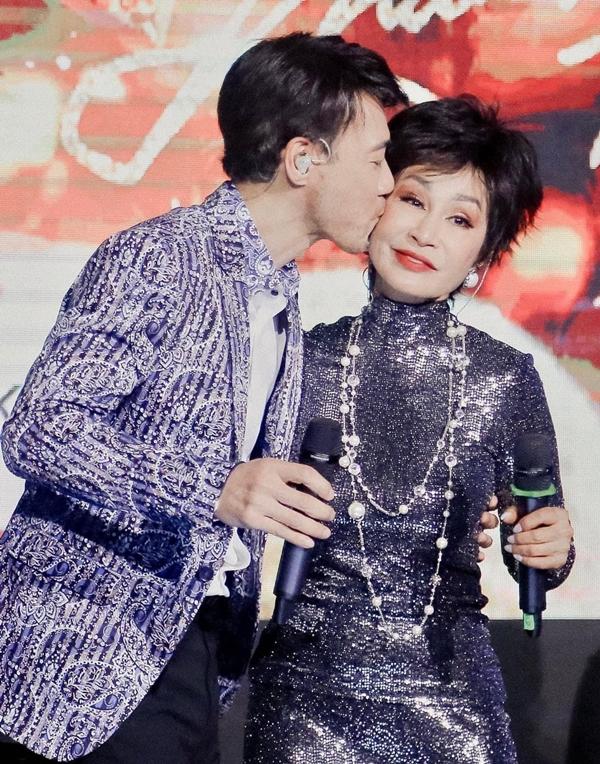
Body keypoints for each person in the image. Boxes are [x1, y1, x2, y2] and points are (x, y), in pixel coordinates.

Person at [0, 33, 406, 763]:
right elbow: (39, 427)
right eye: (376, 158)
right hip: (84, 655)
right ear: (303, 159)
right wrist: (213, 488)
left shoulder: (280, 292)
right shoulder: (161, 257)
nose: (387, 183)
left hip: (195, 647)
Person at [244, 95, 575, 763]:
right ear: (376, 202)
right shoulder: (298, 356)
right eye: (412, 199)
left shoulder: (505, 377)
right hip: (304, 699)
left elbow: (537, 540)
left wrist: (549, 547)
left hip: (452, 700)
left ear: (484, 252)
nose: (426, 232)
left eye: (460, 218)